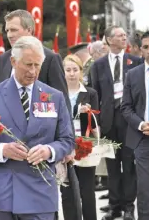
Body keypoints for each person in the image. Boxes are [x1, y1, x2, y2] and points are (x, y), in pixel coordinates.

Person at [0, 36, 74, 220]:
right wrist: (2, 149)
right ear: (13, 61)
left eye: (37, 65)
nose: (33, 71)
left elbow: (67, 139)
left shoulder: (54, 97)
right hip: (4, 190)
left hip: (40, 190)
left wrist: (49, 151)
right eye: (28, 65)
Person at [0, 9, 81, 220]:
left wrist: (68, 143)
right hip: (12, 144)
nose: (10, 35)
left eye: (14, 30)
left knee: (59, 192)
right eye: (7, 31)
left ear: (29, 30)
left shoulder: (50, 58)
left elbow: (62, 103)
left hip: (45, 141)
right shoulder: (4, 60)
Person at [90, 25, 143, 220]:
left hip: (130, 122)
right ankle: (114, 206)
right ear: (109, 40)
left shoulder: (136, 62)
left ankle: (129, 206)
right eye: (120, 36)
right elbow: (94, 95)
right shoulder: (98, 65)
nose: (124, 38)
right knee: (112, 166)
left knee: (129, 164)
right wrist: (95, 123)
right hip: (108, 122)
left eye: (124, 35)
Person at [121, 30, 149, 220]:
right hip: (143, 141)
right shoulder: (132, 75)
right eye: (145, 47)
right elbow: (126, 108)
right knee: (146, 193)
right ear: (140, 50)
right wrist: (141, 125)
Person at [63, 54, 99, 220]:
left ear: (80, 71)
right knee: (67, 188)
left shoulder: (90, 93)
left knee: (87, 188)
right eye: (68, 70)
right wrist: (76, 111)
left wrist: (88, 113)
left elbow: (96, 120)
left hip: (84, 144)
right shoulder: (58, 93)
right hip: (64, 144)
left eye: (74, 69)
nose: (71, 73)